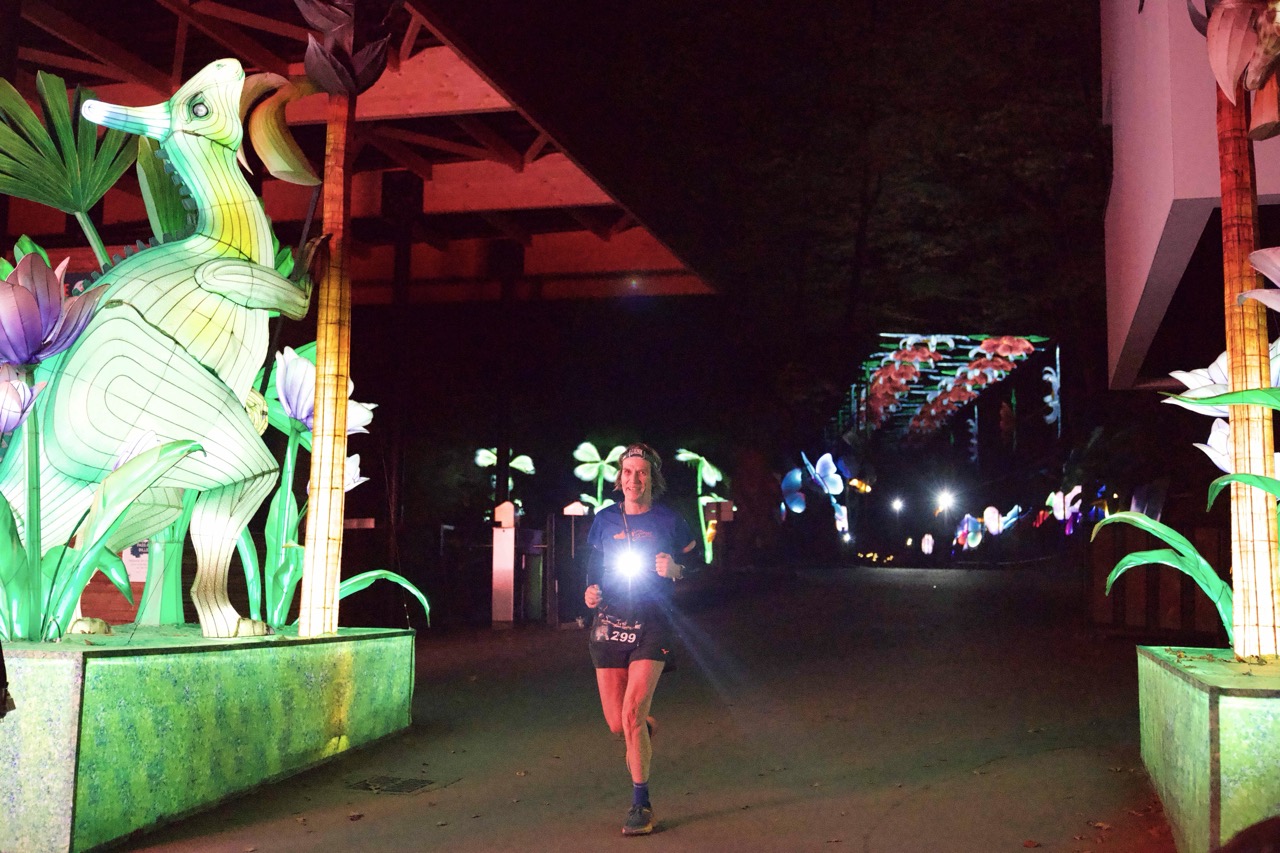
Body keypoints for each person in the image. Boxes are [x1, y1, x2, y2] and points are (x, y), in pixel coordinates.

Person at [583, 442, 699, 837]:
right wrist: (590, 591)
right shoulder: (604, 520)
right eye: (628, 471)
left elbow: (696, 563)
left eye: (642, 472)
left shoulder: (670, 520)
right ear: (620, 477)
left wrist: (676, 569)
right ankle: (640, 730)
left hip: (653, 622)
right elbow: (592, 567)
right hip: (609, 623)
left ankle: (641, 804)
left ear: (652, 478)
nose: (635, 478)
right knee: (618, 724)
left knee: (632, 712)